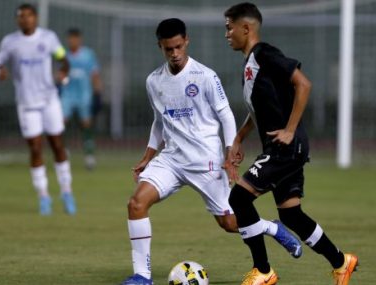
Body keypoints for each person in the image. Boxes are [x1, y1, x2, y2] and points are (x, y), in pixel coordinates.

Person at [120, 18, 302, 285]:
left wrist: (230, 154)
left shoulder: (205, 76)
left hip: (206, 161)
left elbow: (226, 116)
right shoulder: (154, 81)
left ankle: (272, 228)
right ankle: (142, 276)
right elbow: (159, 122)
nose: (175, 53)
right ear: (160, 46)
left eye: (179, 46)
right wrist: (148, 156)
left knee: (229, 223)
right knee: (136, 204)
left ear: (186, 41)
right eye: (168, 49)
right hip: (171, 160)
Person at [223, 3, 358, 285]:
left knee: (238, 198)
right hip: (284, 148)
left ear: (245, 28)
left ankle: (263, 271)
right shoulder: (250, 63)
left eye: (229, 27)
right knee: (291, 215)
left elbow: (304, 84)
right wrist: (238, 138)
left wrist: (290, 129)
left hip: (286, 148)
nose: (227, 34)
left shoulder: (264, 53)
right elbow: (257, 110)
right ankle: (341, 262)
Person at [0, 3, 76, 216]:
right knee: (36, 148)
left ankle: (66, 191)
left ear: (35, 18)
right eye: (21, 16)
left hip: (49, 100)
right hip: (27, 104)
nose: (26, 19)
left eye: (29, 16)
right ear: (17, 20)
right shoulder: (10, 42)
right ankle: (44, 195)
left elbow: (62, 58)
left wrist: (64, 72)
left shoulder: (48, 38)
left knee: (57, 145)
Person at [61, 28, 104, 170]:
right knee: (62, 122)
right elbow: (61, 75)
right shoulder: (64, 56)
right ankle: (63, 153)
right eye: (70, 38)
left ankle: (89, 157)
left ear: (79, 39)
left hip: (84, 94)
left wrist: (98, 93)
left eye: (75, 38)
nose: (72, 41)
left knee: (86, 124)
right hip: (67, 94)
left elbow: (95, 74)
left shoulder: (88, 55)